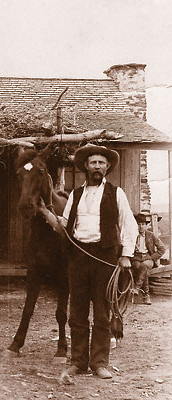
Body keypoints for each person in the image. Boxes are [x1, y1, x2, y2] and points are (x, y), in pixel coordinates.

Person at [58, 144, 138, 381]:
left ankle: (99, 363)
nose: (97, 166)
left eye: (101, 163)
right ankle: (78, 362)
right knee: (78, 311)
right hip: (79, 257)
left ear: (107, 167)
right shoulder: (75, 194)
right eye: (93, 162)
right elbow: (65, 223)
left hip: (105, 258)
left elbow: (128, 225)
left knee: (103, 312)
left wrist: (125, 255)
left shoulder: (117, 193)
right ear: (85, 166)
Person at [131, 213, 166, 305]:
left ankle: (137, 288)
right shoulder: (132, 235)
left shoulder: (150, 235)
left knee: (144, 266)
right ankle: (146, 296)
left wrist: (152, 257)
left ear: (146, 225)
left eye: (143, 224)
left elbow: (162, 248)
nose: (141, 226)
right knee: (138, 266)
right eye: (138, 224)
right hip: (136, 258)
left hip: (148, 258)